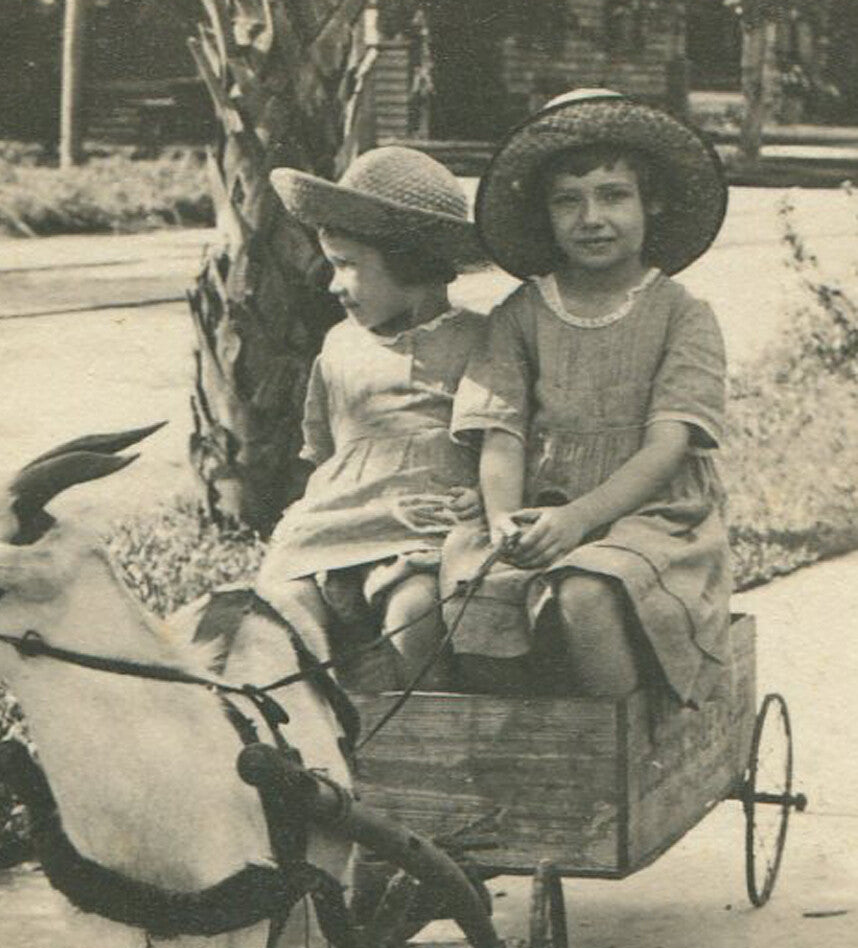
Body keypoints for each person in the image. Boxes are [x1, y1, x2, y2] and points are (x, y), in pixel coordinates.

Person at [443, 89, 732, 705]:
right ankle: (514, 742)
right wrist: (502, 518)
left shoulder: (682, 315)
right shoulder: (520, 314)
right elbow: (501, 430)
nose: (591, 218)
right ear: (544, 213)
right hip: (539, 507)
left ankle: (617, 749)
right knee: (475, 592)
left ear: (652, 202)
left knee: (585, 592)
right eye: (567, 200)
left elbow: (666, 449)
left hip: (652, 516)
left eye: (613, 195)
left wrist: (579, 518)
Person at [256, 146, 487, 690]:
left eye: (347, 265)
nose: (333, 285)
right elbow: (326, 449)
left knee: (415, 614)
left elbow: (506, 438)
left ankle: (421, 728)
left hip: (424, 522)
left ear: (409, 261)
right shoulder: (339, 345)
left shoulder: (479, 340)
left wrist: (484, 493)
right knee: (281, 606)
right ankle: (317, 717)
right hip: (337, 523)